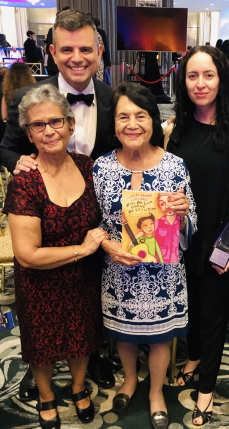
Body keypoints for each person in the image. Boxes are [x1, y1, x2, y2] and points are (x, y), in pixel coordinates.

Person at [0, 8, 116, 402]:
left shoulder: (115, 97)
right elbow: (6, 146)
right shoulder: (24, 99)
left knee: (88, 310)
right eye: (67, 49)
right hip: (41, 213)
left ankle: (91, 361)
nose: (77, 57)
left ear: (99, 51)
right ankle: (44, 376)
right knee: (42, 317)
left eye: (86, 48)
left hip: (92, 219)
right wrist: (17, 161)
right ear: (52, 51)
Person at [3, 84, 109, 429]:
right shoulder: (25, 181)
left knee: (82, 336)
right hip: (40, 280)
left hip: (84, 277)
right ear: (28, 134)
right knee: (41, 343)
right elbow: (27, 255)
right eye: (38, 125)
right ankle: (46, 395)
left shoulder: (88, 167)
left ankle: (78, 388)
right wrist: (83, 249)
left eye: (56, 121)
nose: (49, 130)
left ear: (70, 125)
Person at [93, 83, 197, 429]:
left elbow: (192, 224)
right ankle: (129, 379)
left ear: (153, 120)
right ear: (114, 123)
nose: (132, 124)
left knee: (159, 338)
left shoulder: (175, 166)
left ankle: (155, 391)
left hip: (162, 277)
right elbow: (90, 223)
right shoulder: (100, 168)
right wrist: (107, 244)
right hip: (118, 272)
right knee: (123, 334)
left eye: (140, 115)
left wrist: (183, 214)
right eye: (123, 116)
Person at [166, 46, 229, 426]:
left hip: (222, 241)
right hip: (183, 240)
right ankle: (193, 357)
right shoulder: (177, 130)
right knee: (193, 308)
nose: (200, 84)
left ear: (222, 79)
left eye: (208, 75)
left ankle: (205, 391)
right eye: (192, 76)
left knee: (214, 315)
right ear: (183, 82)